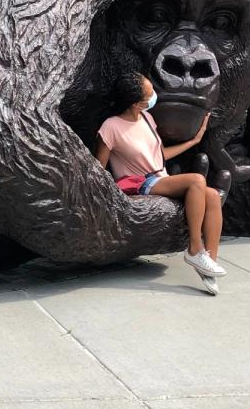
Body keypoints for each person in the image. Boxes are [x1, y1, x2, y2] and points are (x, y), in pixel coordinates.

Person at [95, 72, 226, 282]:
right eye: (150, 94)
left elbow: (160, 155)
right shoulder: (111, 127)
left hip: (160, 178)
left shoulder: (147, 118)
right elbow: (98, 169)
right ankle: (195, 249)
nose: (154, 96)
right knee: (196, 181)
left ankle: (208, 267)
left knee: (211, 196)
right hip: (140, 184)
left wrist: (194, 141)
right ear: (136, 103)